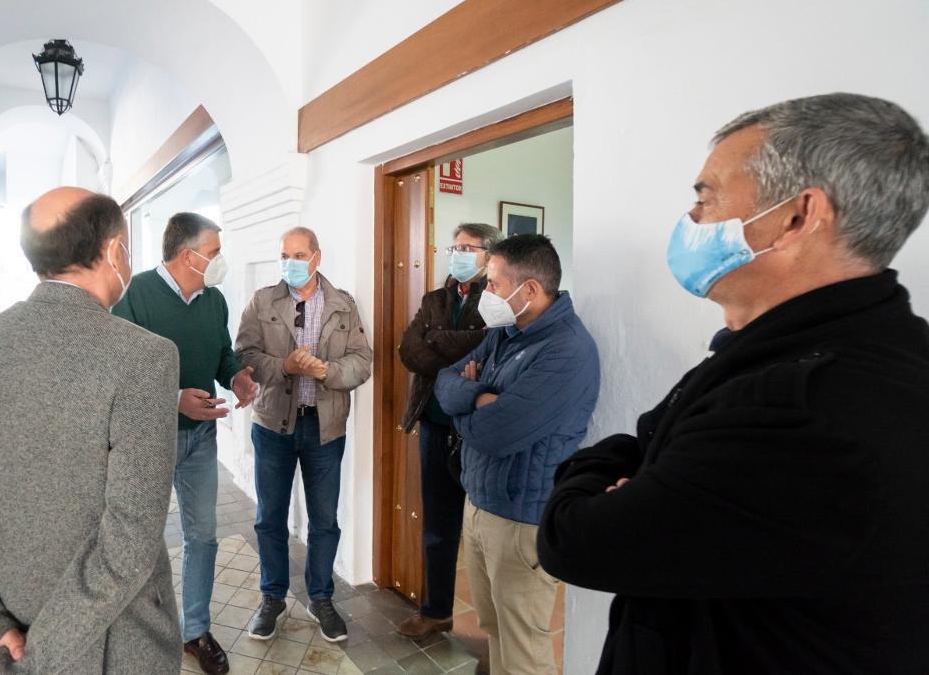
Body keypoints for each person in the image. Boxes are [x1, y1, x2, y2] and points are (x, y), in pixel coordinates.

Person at [538, 93, 929, 675]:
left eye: (705, 197)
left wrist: (606, 468)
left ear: (797, 216)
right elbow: (651, 441)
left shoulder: (807, 407)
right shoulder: (801, 349)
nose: (691, 220)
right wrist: (646, 465)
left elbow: (575, 540)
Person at [0, 188, 181, 675]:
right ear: (115, 251)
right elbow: (129, 544)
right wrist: (32, 663)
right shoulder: (143, 358)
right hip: (108, 644)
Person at [435, 235, 600, 675]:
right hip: (480, 503)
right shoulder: (507, 332)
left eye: (493, 284)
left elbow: (495, 434)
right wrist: (479, 396)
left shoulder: (567, 351)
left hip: (521, 520)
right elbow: (443, 381)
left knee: (524, 650)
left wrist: (466, 409)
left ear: (528, 290)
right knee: (494, 627)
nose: (486, 294)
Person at [112, 212, 257, 675]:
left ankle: (195, 629)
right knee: (142, 542)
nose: (219, 261)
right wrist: (175, 400)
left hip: (201, 438)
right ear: (186, 255)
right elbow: (118, 374)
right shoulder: (134, 296)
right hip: (148, 439)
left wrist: (236, 376)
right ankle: (142, 631)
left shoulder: (214, 300)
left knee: (203, 536)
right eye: (213, 252)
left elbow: (220, 353)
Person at [235, 227, 373, 644]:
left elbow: (362, 362)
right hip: (274, 425)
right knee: (270, 518)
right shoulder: (263, 301)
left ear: (316, 257)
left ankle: (321, 598)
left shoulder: (342, 304)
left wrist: (327, 372)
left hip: (325, 427)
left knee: (325, 520)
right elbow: (244, 355)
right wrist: (286, 368)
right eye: (284, 255)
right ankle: (272, 598)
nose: (289, 263)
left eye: (298, 255)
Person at [395, 222, 502, 640]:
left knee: (485, 534)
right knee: (438, 527)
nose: (457, 254)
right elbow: (409, 350)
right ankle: (436, 610)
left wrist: (436, 340)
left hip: (473, 431)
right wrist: (457, 345)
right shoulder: (436, 298)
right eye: (454, 247)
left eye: (467, 247)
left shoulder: (496, 300)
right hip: (434, 425)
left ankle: (495, 637)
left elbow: (487, 349)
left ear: (488, 256)